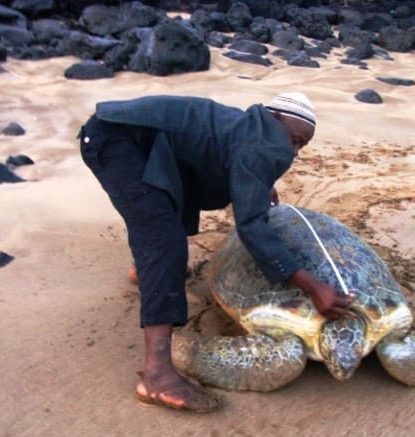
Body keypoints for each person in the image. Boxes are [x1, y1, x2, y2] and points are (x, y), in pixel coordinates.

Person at [79, 92, 355, 413]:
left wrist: (255, 182)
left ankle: (149, 273)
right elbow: (252, 226)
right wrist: (313, 286)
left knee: (164, 212)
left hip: (136, 138)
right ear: (274, 118)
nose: (292, 151)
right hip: (116, 140)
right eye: (293, 139)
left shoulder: (249, 130)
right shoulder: (261, 143)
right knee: (164, 241)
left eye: (300, 146)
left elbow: (233, 157)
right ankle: (157, 376)